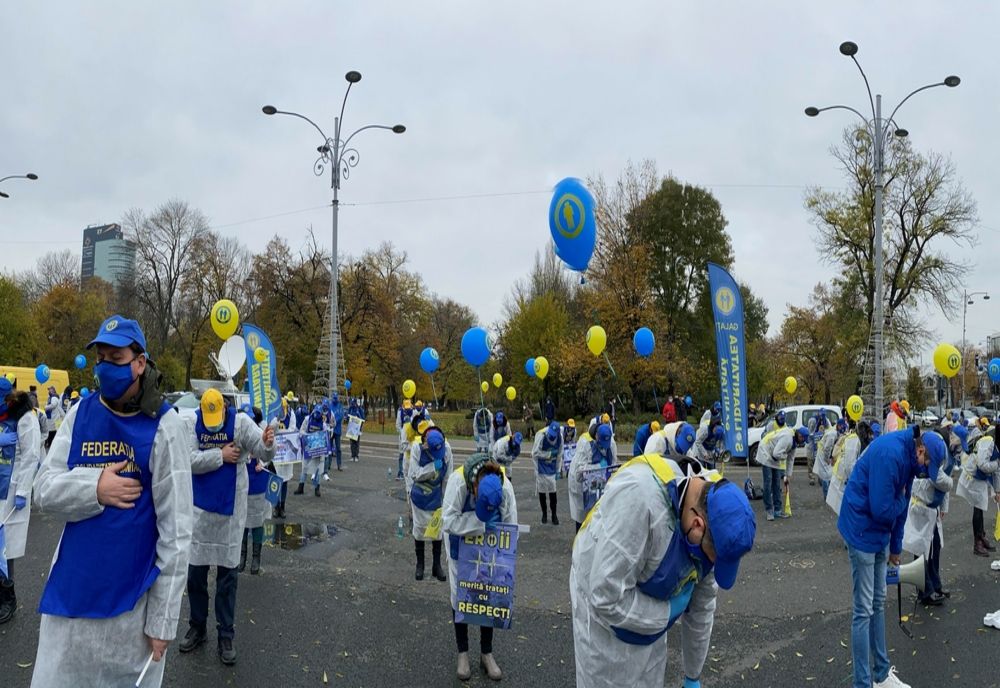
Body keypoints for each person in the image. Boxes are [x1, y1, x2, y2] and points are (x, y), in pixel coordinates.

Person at [30, 315, 192, 688]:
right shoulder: (79, 414)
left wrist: (163, 622)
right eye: (100, 358)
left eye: (115, 358)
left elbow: (178, 532)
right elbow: (45, 490)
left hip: (130, 610)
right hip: (70, 600)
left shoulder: (165, 427)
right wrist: (94, 488)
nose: (104, 368)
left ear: (140, 362)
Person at [570, 454, 756, 688]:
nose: (710, 564)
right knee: (610, 676)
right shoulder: (638, 500)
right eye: (712, 557)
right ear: (697, 526)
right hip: (600, 591)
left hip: (650, 590)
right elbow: (606, 597)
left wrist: (692, 676)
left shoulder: (715, 510)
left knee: (650, 669)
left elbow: (702, 608)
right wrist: (666, 613)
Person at [838, 427, 944, 688]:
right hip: (861, 529)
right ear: (921, 450)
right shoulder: (891, 454)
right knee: (863, 609)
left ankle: (882, 675)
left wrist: (895, 547)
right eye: (925, 464)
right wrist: (901, 500)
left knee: (877, 602)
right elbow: (884, 509)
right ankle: (863, 683)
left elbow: (900, 505)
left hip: (877, 532)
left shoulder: (908, 457)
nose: (923, 472)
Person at [180, 388, 275, 665]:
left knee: (227, 578)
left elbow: (263, 453)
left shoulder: (241, 422)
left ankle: (226, 633)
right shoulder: (190, 423)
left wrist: (268, 442)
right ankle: (197, 626)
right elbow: (188, 460)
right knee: (195, 575)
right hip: (200, 513)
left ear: (223, 409)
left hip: (231, 511)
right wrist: (219, 455)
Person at [442, 454, 517, 681]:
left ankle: (486, 653)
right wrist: (480, 523)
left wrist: (505, 563)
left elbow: (510, 524)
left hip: (490, 548)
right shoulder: (458, 482)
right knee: (461, 598)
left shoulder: (505, 488)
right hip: (459, 545)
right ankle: (462, 653)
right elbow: (448, 521)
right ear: (474, 486)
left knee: (488, 596)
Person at [0, 379, 42, 624]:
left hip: (11, 489)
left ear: (9, 399)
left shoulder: (25, 419)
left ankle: (8, 599)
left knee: (5, 549)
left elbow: (31, 455)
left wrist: (23, 491)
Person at [903, 427, 957, 606]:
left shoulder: (938, 457)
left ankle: (935, 584)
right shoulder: (919, 462)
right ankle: (925, 591)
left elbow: (943, 482)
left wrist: (944, 506)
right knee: (921, 550)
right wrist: (949, 484)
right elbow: (942, 482)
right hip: (921, 510)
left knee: (935, 549)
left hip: (932, 511)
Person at [407, 426, 452, 582]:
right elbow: (414, 474)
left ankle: (436, 565)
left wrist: (446, 501)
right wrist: (433, 467)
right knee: (419, 530)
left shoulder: (446, 448)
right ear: (426, 443)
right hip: (419, 496)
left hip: (436, 497)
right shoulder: (417, 448)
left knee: (437, 530)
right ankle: (420, 565)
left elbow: (448, 476)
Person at [955, 423, 1000, 557]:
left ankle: (981, 537)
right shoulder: (988, 442)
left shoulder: (996, 445)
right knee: (978, 509)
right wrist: (996, 464)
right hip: (972, 478)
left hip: (980, 479)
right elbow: (982, 464)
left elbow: (997, 471)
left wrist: (998, 491)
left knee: (980, 508)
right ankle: (977, 543)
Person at [569, 423, 618, 530]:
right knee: (583, 518)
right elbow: (579, 473)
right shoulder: (585, 443)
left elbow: (614, 464)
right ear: (596, 437)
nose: (604, 448)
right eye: (601, 444)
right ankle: (580, 543)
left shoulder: (611, 443)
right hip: (580, 485)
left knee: (599, 517)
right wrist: (598, 466)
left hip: (599, 483)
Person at [756, 425, 809, 522]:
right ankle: (769, 510)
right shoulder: (788, 438)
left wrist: (788, 475)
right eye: (803, 440)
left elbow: (791, 459)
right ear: (800, 436)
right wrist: (784, 456)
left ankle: (778, 510)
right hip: (766, 451)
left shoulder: (794, 442)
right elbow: (777, 454)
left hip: (775, 455)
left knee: (776, 483)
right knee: (768, 482)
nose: (803, 443)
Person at [241, 407, 270, 576]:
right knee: (242, 521)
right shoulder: (238, 432)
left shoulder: (261, 432)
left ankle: (256, 558)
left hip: (258, 481)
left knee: (257, 521)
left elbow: (271, 452)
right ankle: (242, 556)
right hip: (243, 481)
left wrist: (263, 464)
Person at [532, 421, 563, 525]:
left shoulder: (560, 438)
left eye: (554, 435)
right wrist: (549, 454)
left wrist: (558, 470)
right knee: (542, 492)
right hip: (541, 467)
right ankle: (544, 514)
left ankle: (554, 514)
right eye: (551, 434)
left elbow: (559, 455)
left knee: (553, 491)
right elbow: (535, 453)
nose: (552, 436)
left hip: (552, 468)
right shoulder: (541, 435)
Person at [295, 408, 327, 497]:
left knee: (318, 469)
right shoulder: (307, 420)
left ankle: (317, 488)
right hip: (308, 447)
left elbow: (325, 436)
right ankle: (301, 487)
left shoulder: (323, 424)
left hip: (317, 448)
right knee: (304, 467)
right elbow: (301, 431)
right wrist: (309, 436)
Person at [812, 416, 840, 498]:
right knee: (826, 475)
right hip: (823, 453)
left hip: (823, 451)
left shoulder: (834, 430)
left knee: (827, 473)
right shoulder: (832, 434)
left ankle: (828, 494)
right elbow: (828, 448)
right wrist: (827, 459)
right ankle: (827, 495)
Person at [325, 393, 345, 476]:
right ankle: (328, 464)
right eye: (334, 398)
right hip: (330, 430)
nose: (335, 400)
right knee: (329, 448)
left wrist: (334, 421)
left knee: (338, 448)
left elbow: (341, 416)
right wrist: (329, 422)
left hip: (337, 430)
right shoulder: (330, 405)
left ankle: (339, 465)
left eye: (336, 399)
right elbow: (327, 414)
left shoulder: (340, 406)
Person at [396, 399, 415, 479]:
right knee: (401, 454)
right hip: (403, 437)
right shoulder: (400, 412)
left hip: (411, 437)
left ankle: (411, 472)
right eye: (406, 408)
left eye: (408, 408)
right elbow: (398, 425)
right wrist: (403, 433)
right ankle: (401, 472)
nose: (407, 409)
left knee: (411, 454)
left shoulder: (413, 412)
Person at [43, 385, 63, 450]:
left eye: (50, 389)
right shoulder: (51, 397)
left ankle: (52, 444)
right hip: (53, 417)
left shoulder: (54, 397)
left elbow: (53, 405)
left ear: (53, 390)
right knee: (53, 430)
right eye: (48, 390)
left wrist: (46, 407)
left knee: (54, 431)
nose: (48, 391)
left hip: (55, 418)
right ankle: (52, 444)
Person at [347, 397, 366, 461]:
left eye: (354, 403)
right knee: (352, 442)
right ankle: (352, 455)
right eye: (352, 403)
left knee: (356, 442)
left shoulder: (359, 409)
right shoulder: (350, 408)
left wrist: (358, 418)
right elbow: (347, 417)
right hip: (351, 427)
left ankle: (356, 456)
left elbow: (363, 418)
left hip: (357, 428)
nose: (353, 405)